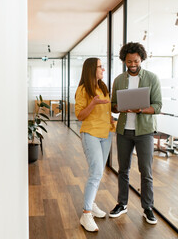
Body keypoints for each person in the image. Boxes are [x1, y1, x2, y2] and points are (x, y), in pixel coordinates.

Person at [109, 42, 162, 225]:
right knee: (123, 170)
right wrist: (120, 107)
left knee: (145, 171)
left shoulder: (152, 78)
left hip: (144, 131)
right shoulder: (119, 80)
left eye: (136, 61)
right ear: (124, 60)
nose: (132, 64)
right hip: (124, 130)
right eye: (129, 61)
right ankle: (122, 204)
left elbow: (157, 106)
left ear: (141, 59)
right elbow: (113, 106)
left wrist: (141, 109)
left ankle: (148, 207)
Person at [75, 57, 115, 232]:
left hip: (106, 133)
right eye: (100, 67)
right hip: (90, 133)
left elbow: (106, 111)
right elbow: (80, 116)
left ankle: (91, 203)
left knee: (97, 173)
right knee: (96, 171)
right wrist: (93, 103)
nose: (103, 69)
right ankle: (86, 213)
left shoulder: (103, 87)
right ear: (91, 69)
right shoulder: (83, 89)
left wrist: (112, 120)